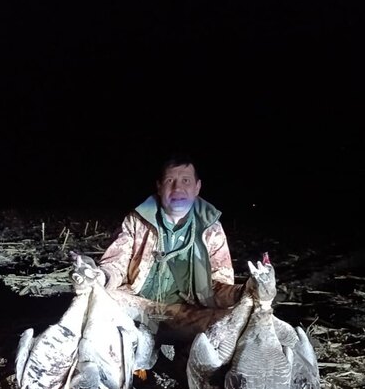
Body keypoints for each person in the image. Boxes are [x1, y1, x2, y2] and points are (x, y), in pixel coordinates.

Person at [77, 154, 252, 374]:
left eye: (186, 180)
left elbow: (218, 286)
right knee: (95, 299)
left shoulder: (211, 229)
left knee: (233, 320)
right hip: (138, 308)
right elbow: (115, 265)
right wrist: (98, 276)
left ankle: (185, 362)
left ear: (197, 187)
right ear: (159, 187)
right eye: (170, 181)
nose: (178, 188)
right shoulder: (137, 220)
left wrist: (246, 291)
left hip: (187, 314)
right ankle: (127, 356)